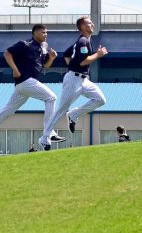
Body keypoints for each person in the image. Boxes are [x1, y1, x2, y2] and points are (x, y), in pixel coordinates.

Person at [0, 24, 66, 153]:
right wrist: (15, 70)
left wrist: (51, 58)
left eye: (47, 33)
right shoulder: (25, 44)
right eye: (43, 32)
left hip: (24, 86)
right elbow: (7, 53)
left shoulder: (44, 47)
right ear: (34, 33)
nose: (46, 34)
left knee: (7, 111)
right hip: (25, 81)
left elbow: (45, 66)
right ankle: (48, 135)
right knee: (51, 98)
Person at [38, 16, 108, 150]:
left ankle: (74, 115)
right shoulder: (83, 40)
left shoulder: (85, 40)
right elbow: (83, 61)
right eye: (89, 23)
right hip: (73, 80)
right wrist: (98, 55)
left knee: (100, 100)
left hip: (84, 80)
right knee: (61, 109)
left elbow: (66, 54)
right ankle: (44, 137)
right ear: (82, 26)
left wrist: (73, 66)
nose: (92, 24)